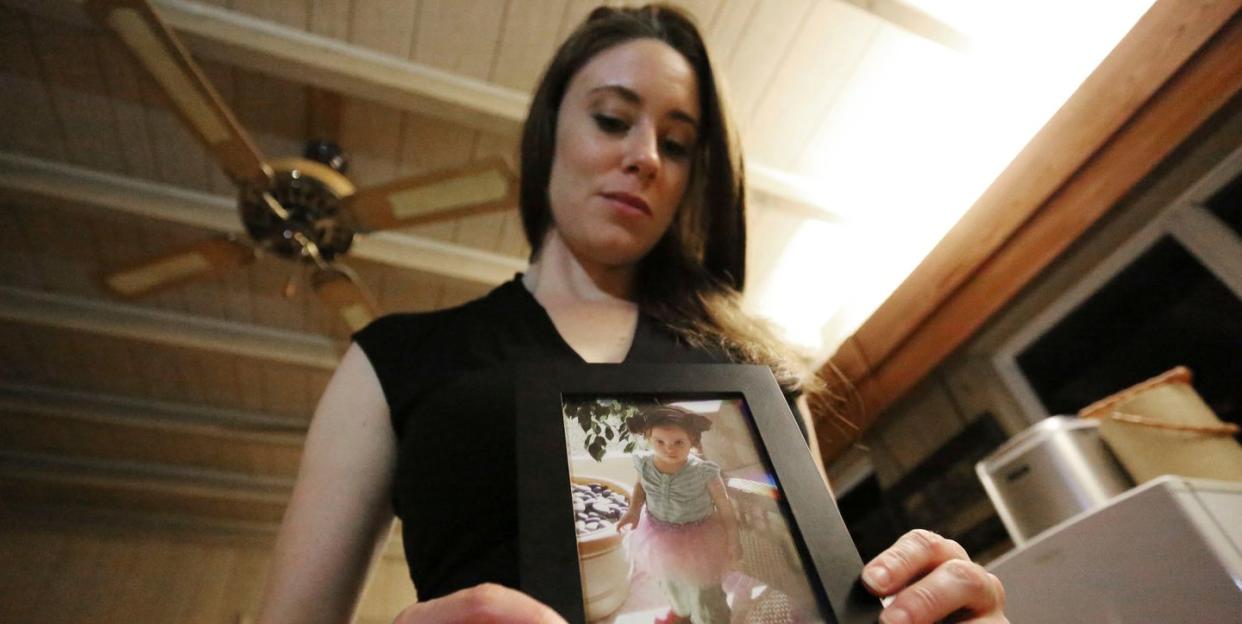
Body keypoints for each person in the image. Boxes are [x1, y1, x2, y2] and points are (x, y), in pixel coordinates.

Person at [255, 5, 1008, 624]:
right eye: (613, 119)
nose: (646, 155)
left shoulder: (757, 381)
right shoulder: (396, 359)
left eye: (677, 144)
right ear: (550, 133)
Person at [616, 406, 739, 624]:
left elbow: (724, 505)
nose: (668, 449)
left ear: (692, 440)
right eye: (659, 442)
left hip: (699, 538)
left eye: (678, 442)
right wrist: (634, 510)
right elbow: (640, 487)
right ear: (648, 438)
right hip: (659, 534)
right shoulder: (644, 463)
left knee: (705, 588)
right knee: (671, 581)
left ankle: (712, 619)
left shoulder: (704, 471)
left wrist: (733, 539)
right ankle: (681, 613)